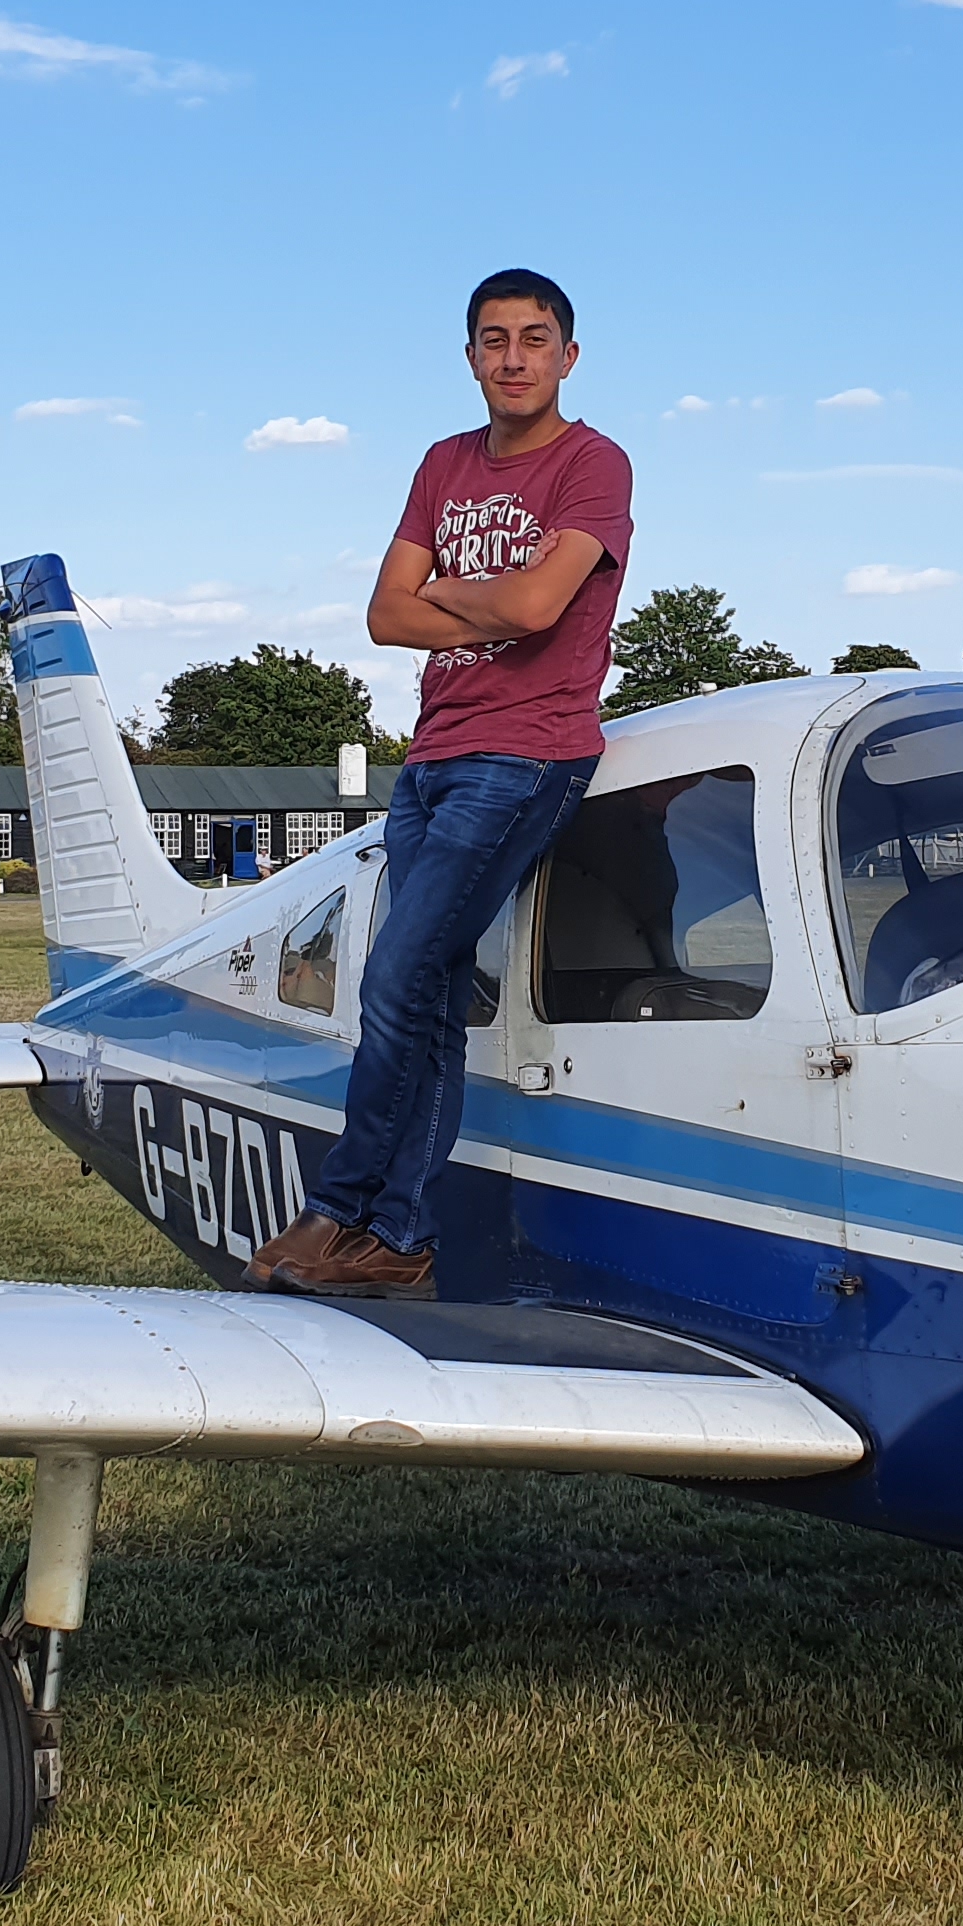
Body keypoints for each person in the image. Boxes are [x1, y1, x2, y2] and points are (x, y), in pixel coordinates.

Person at [249, 267, 630, 1297]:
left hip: (527, 752)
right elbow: (385, 614)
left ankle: (345, 1210)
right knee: (428, 992)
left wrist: (458, 593)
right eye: (494, 340)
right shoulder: (441, 463)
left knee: (395, 977)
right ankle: (401, 1235)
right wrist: (492, 599)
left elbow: (547, 607)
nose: (514, 357)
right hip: (429, 758)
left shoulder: (594, 465)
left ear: (568, 355)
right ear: (469, 357)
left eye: (535, 338)